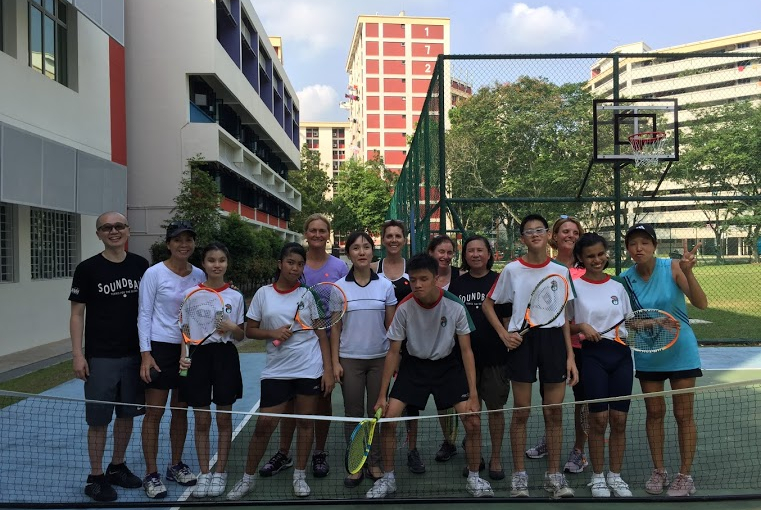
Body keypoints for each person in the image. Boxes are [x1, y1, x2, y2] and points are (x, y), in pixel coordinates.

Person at [366, 253, 494, 499]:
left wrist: (473, 394)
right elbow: (393, 352)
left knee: (473, 422)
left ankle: (474, 477)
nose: (417, 285)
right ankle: (388, 479)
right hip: (414, 367)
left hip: (447, 367)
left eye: (423, 279)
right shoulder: (404, 307)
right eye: (413, 280)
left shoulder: (454, 305)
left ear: (436, 279)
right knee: (388, 420)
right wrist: (382, 395)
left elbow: (466, 351)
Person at [226, 243, 334, 500]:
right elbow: (250, 330)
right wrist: (272, 333)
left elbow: (321, 334)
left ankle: (299, 475)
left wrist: (328, 370)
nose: (295, 268)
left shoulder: (308, 295)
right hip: (276, 370)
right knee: (264, 425)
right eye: (290, 262)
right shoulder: (263, 294)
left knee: (305, 423)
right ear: (280, 264)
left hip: (308, 367)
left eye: (300, 264)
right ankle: (247, 479)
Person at [482, 213, 579, 499]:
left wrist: (570, 356)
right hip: (522, 342)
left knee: (554, 411)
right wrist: (504, 334)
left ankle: (554, 477)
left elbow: (563, 317)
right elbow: (488, 305)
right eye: (529, 231)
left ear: (548, 235)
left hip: (553, 342)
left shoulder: (561, 271)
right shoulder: (512, 270)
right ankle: (519, 477)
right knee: (521, 411)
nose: (535, 234)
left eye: (540, 230)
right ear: (522, 238)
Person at [622, 223, 707, 497]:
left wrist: (689, 272)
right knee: (654, 413)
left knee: (683, 415)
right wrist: (652, 323)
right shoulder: (624, 280)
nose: (639, 248)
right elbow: (627, 322)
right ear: (627, 248)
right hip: (648, 354)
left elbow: (701, 303)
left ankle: (685, 475)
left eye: (645, 242)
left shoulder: (673, 267)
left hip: (682, 351)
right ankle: (659, 470)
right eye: (633, 243)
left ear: (654, 246)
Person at [69, 212, 149, 502]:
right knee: (99, 420)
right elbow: (77, 314)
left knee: (127, 416)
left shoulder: (141, 265)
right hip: (101, 357)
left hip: (134, 356)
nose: (113, 231)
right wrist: (78, 354)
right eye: (106, 228)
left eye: (118, 226)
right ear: (98, 234)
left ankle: (117, 467)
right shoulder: (87, 269)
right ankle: (95, 477)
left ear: (128, 230)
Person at [261, 214, 347, 479]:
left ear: (328, 234)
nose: (318, 235)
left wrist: (332, 363)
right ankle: (284, 453)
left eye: (322, 230)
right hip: (294, 347)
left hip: (327, 343)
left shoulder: (340, 267)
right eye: (313, 230)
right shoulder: (296, 262)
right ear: (306, 233)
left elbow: (341, 307)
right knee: (289, 403)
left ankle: (319, 452)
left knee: (323, 400)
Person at [138, 220, 206, 498]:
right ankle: (151, 473)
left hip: (188, 349)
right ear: (168, 244)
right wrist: (146, 355)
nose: (183, 245)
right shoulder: (153, 273)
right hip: (159, 348)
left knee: (180, 410)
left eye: (188, 239)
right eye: (178, 240)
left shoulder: (199, 274)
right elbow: (144, 314)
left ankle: (175, 465)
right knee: (154, 412)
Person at [568, 233, 634, 498]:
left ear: (606, 254)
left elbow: (630, 321)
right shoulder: (574, 287)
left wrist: (656, 322)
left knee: (619, 420)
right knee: (598, 419)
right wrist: (582, 327)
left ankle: (615, 476)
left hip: (621, 355)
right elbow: (565, 325)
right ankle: (597, 478)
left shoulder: (618, 286)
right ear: (581, 259)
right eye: (590, 256)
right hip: (592, 356)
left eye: (600, 254)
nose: (596, 260)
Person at [180, 242, 245, 498]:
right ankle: (205, 473)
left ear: (227, 263)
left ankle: (220, 472)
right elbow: (184, 331)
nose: (217, 265)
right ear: (203, 264)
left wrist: (231, 327)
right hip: (198, 358)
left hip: (225, 357)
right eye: (211, 260)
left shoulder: (236, 296)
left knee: (223, 419)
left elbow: (241, 335)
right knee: (202, 420)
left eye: (221, 260)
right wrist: (183, 357)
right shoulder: (190, 294)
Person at [332, 231, 397, 487]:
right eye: (356, 248)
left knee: (376, 412)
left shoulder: (385, 285)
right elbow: (335, 328)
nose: (362, 252)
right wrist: (335, 362)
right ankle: (356, 463)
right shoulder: (339, 287)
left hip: (380, 359)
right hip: (350, 359)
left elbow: (391, 326)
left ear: (373, 251)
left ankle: (375, 462)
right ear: (348, 253)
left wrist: (395, 359)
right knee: (353, 413)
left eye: (366, 247)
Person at [527, 215, 589, 474]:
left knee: (582, 400)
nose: (570, 236)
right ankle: (549, 440)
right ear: (554, 235)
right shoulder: (546, 267)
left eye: (575, 232)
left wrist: (581, 329)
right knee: (549, 399)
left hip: (582, 346)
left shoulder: (587, 269)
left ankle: (579, 450)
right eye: (565, 231)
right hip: (552, 342)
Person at [449, 235, 511, 481]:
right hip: (464, 361)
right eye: (470, 251)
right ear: (464, 255)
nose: (475, 254)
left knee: (495, 410)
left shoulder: (500, 281)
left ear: (489, 254)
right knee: (470, 413)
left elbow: (507, 319)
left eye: (480, 250)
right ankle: (474, 458)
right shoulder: (457, 285)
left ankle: (495, 458)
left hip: (495, 359)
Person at [372, 220, 426, 475]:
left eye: (398, 236)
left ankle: (412, 449)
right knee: (381, 402)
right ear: (383, 240)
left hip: (409, 350)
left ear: (404, 240)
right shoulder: (372, 269)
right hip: (379, 349)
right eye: (389, 236)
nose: (393, 240)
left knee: (410, 404)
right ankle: (378, 454)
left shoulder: (412, 271)